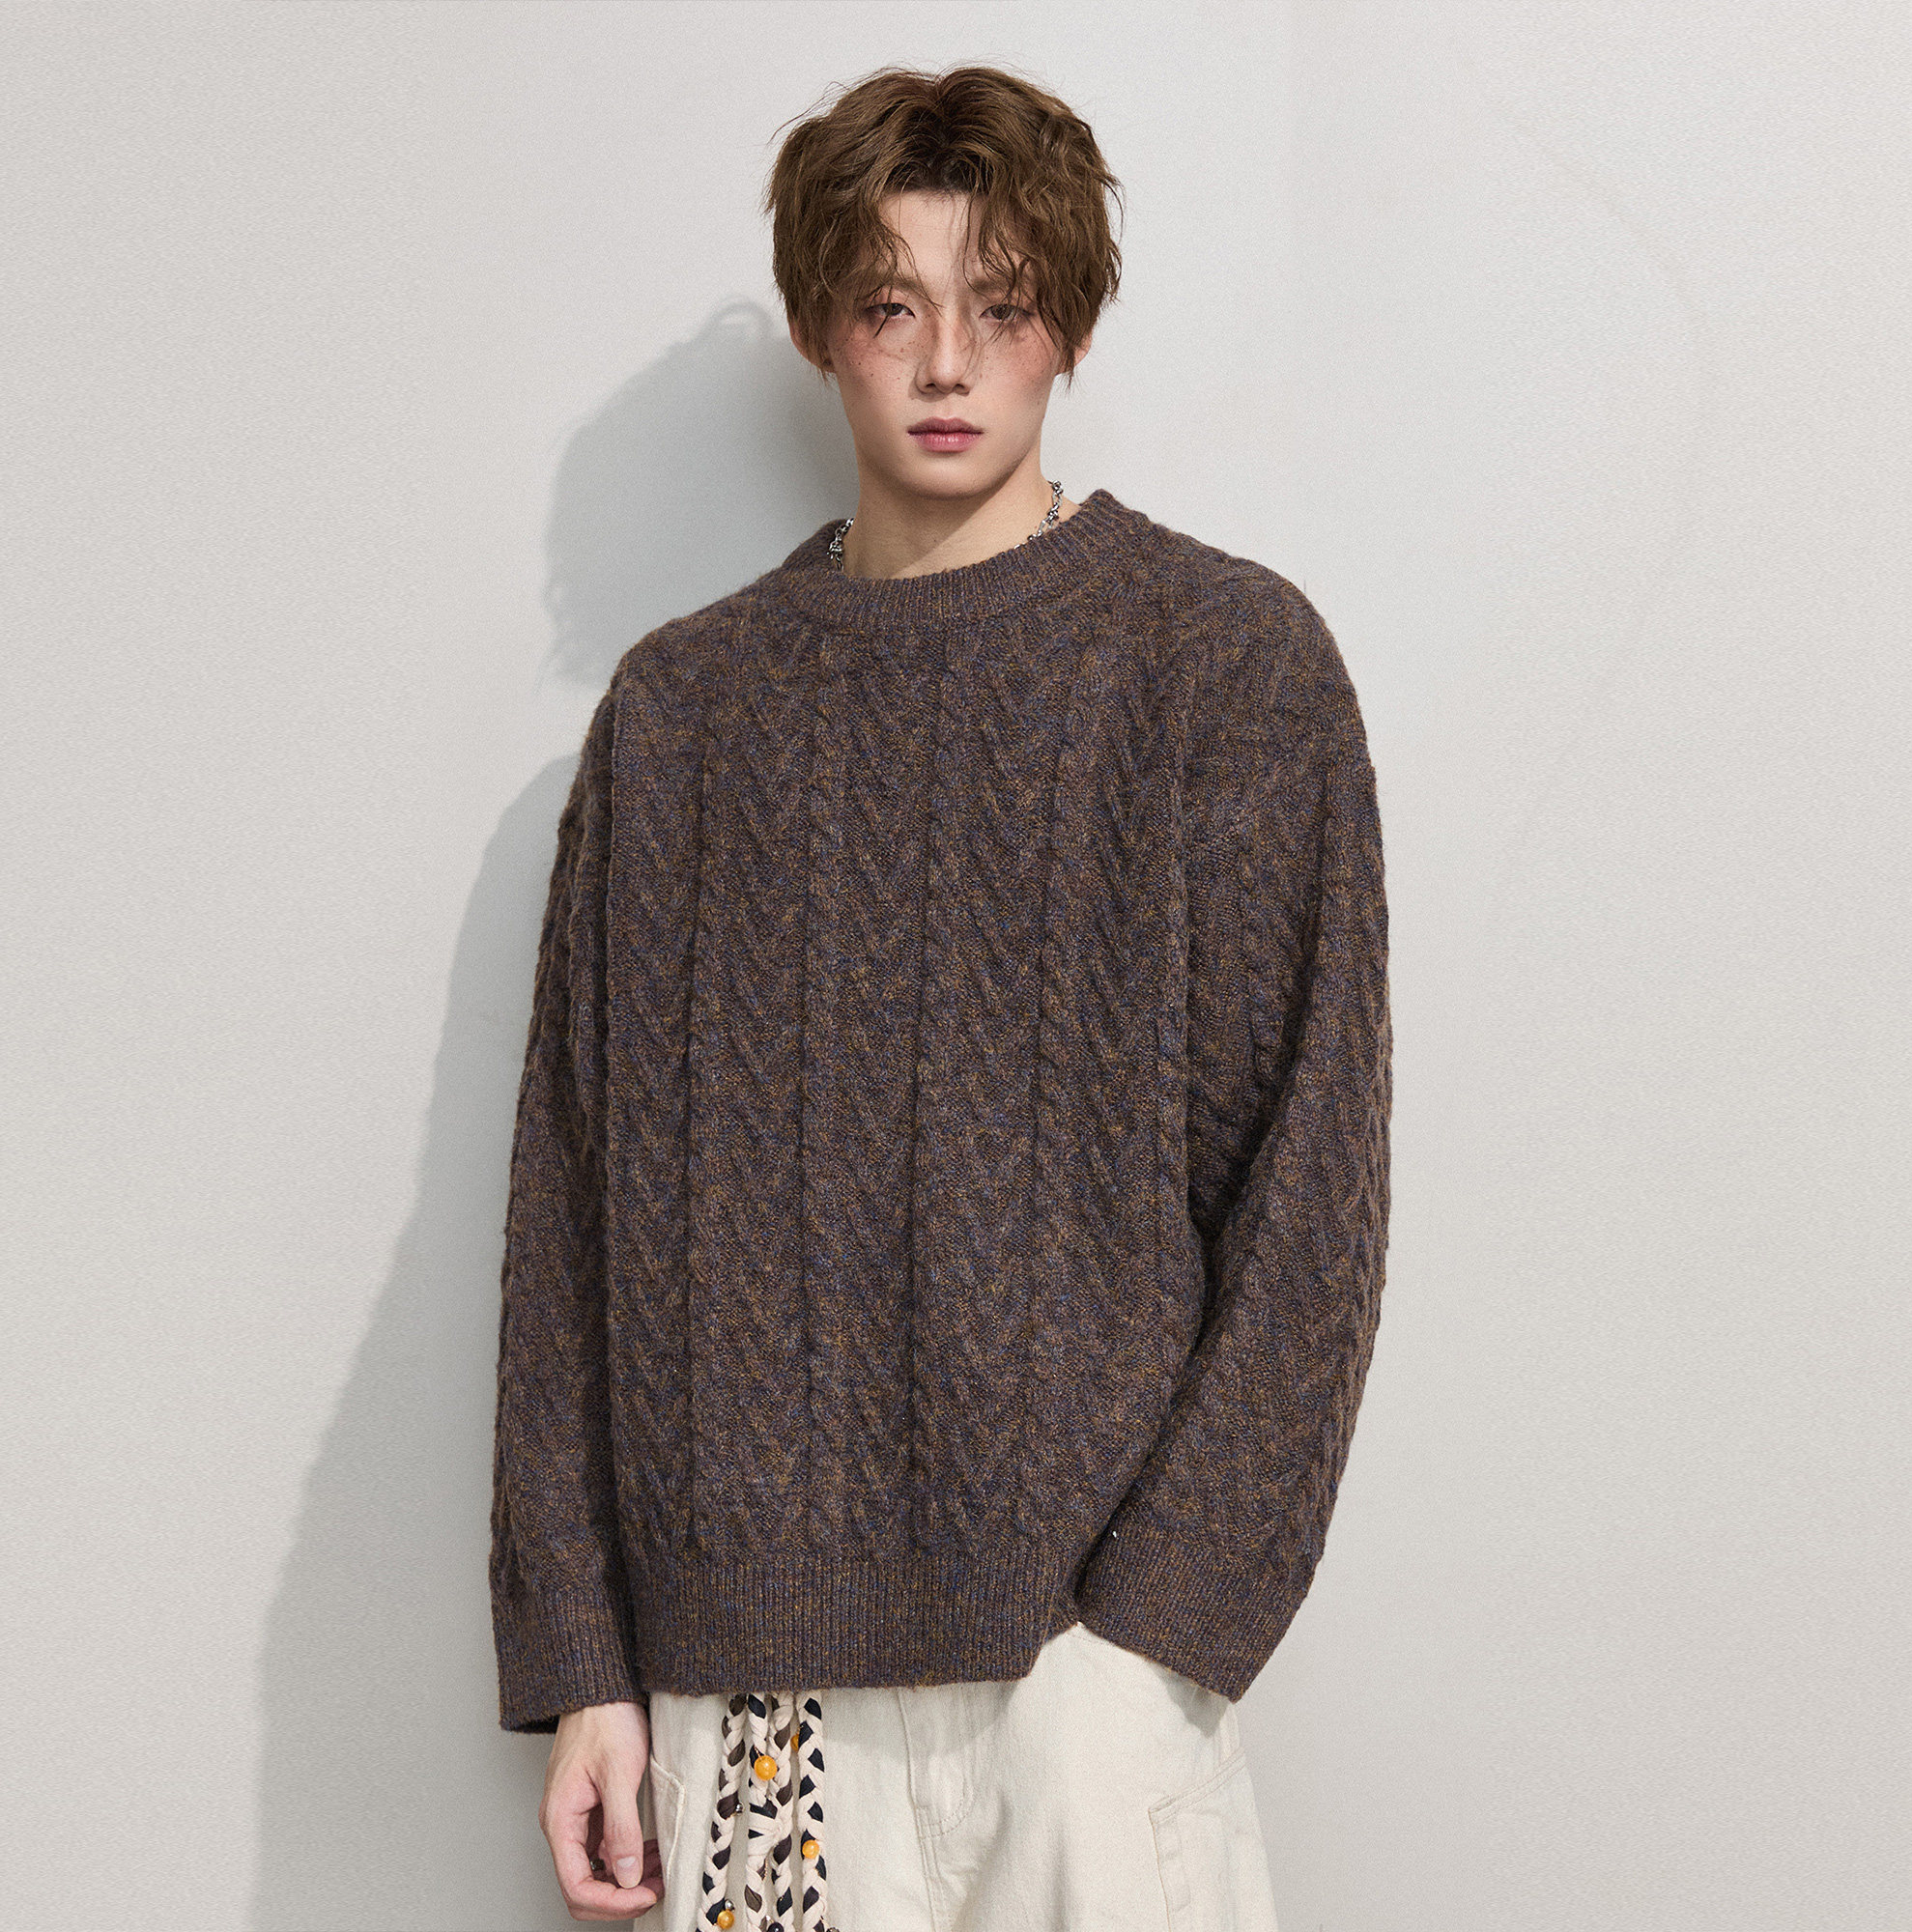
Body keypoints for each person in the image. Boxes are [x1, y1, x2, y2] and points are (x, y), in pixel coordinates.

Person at [488, 61, 1392, 1932]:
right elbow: (570, 1212)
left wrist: (1152, 1646)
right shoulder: (682, 720)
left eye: (1003, 303)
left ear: (1073, 323)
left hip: (1083, 1678)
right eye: (893, 306)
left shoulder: (1223, 669)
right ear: (824, 327)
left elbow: (1314, 1193)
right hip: (753, 1700)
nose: (949, 363)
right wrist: (584, 1660)